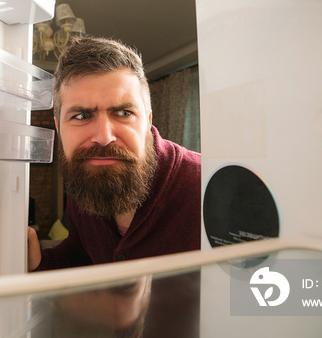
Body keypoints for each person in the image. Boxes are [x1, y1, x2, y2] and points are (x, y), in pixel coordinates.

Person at [27, 36, 201, 271]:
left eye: (123, 113)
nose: (104, 136)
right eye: (81, 116)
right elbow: (82, 255)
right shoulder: (85, 180)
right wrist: (39, 262)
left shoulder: (207, 187)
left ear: (148, 121)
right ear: (58, 127)